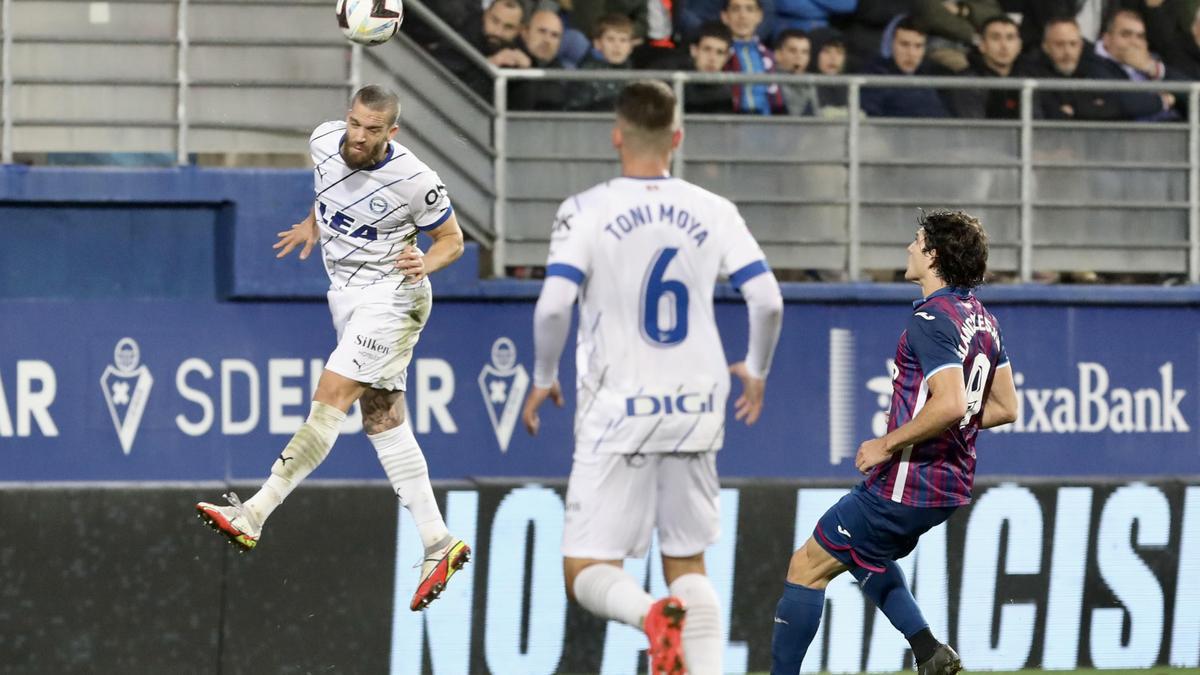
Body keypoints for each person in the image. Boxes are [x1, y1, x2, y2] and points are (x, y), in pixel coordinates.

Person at [521, 80, 784, 675]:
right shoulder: (715, 210)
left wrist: (542, 375)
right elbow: (767, 300)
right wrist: (757, 369)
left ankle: (648, 616)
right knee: (688, 562)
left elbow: (554, 307)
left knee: (585, 569)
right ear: (678, 138)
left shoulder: (584, 210)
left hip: (618, 409)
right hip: (697, 402)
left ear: (617, 136)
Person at [195, 85, 471, 613]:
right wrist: (312, 224)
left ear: (392, 132)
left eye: (372, 130)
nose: (359, 136)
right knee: (383, 420)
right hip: (346, 298)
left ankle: (254, 512)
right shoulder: (324, 141)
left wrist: (426, 263)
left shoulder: (417, 181)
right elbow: (332, 192)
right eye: (355, 123)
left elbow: (452, 241)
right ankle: (437, 542)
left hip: (394, 297)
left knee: (331, 397)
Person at [769, 209, 1018, 675]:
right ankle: (928, 651)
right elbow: (1005, 407)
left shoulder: (932, 316)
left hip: (906, 481)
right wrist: (955, 423)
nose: (909, 248)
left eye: (917, 241)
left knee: (805, 565)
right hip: (950, 485)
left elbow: (948, 403)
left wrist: (886, 444)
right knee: (865, 554)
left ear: (934, 254)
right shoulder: (984, 320)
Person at [860, 17, 950, 118]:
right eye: (904, 44)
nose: (911, 53)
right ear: (890, 45)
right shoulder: (875, 77)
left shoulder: (936, 75)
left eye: (918, 46)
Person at [948, 15, 1022, 119]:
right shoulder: (968, 83)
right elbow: (975, 129)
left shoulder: (1028, 77)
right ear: (982, 45)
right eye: (996, 38)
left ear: (1019, 46)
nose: (1004, 46)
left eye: (1010, 38)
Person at [722, 0, 787, 114]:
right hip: (729, 127)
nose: (743, 16)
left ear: (759, 16)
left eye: (749, 9)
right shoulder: (717, 55)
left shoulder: (772, 57)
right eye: (736, 9)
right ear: (725, 16)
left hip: (768, 127)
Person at [567, 14, 637, 111]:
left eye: (623, 40)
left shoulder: (634, 76)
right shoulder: (586, 75)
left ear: (631, 47)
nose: (617, 45)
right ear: (598, 44)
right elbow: (576, 111)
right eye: (610, 39)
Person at [511, 7, 568, 110]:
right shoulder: (509, 60)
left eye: (554, 35)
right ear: (525, 33)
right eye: (542, 31)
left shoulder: (561, 73)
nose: (547, 40)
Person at [685, 21, 737, 114]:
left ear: (727, 57)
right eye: (707, 49)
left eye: (719, 52)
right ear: (694, 50)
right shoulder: (674, 84)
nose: (712, 58)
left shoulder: (725, 94)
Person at [774, 28, 820, 115]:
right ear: (778, 55)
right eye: (792, 51)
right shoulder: (769, 83)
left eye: (804, 52)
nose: (799, 57)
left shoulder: (811, 81)